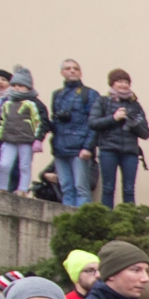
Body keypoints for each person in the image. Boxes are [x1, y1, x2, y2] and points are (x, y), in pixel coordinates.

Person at [87, 69, 149, 207]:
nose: (123, 85)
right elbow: (93, 123)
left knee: (129, 189)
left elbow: (146, 133)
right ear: (112, 83)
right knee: (108, 188)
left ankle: (130, 219)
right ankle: (107, 219)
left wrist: (133, 124)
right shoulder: (103, 102)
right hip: (108, 150)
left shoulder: (135, 105)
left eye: (126, 82)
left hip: (130, 152)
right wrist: (113, 118)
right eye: (119, 81)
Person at [49, 59, 100, 206]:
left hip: (80, 148)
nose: (72, 71)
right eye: (68, 68)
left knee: (81, 188)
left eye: (75, 68)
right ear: (62, 73)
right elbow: (55, 120)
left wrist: (88, 147)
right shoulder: (57, 94)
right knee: (66, 188)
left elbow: (94, 123)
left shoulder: (89, 94)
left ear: (80, 72)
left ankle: (82, 224)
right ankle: (68, 222)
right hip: (60, 147)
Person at [0, 67, 50, 197]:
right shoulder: (8, 103)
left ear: (28, 87)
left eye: (20, 86)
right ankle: (2, 187)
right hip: (9, 138)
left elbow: (42, 122)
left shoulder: (35, 103)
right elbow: (2, 122)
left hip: (26, 140)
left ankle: (23, 189)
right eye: (14, 85)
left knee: (24, 166)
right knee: (3, 164)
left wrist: (38, 139)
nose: (17, 88)